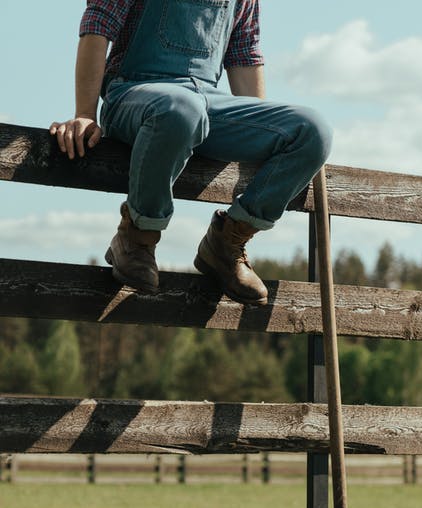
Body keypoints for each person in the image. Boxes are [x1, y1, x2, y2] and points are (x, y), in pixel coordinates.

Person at [50, 0, 332, 305]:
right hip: (135, 93)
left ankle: (228, 242)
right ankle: (137, 236)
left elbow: (244, 52)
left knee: (312, 131)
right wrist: (85, 114)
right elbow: (98, 23)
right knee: (183, 110)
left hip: (207, 103)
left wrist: (262, 140)